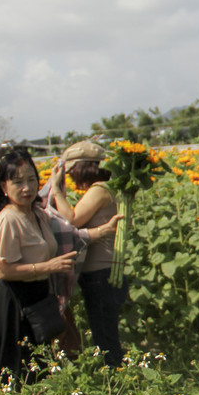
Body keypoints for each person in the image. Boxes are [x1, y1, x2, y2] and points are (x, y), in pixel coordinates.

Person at [0, 148, 120, 384]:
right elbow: (1, 271)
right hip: (15, 301)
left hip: (39, 297)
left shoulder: (38, 213)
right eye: (17, 182)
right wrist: (47, 267)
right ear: (3, 187)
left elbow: (71, 233)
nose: (27, 188)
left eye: (31, 180)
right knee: (13, 369)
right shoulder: (9, 218)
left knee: (36, 367)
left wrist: (102, 231)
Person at [48, 140, 126, 367]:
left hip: (100, 272)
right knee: (106, 330)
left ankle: (116, 383)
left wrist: (56, 190)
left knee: (104, 335)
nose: (70, 176)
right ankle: (116, 376)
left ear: (84, 168)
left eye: (72, 170)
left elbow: (70, 221)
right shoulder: (109, 187)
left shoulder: (99, 190)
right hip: (106, 269)